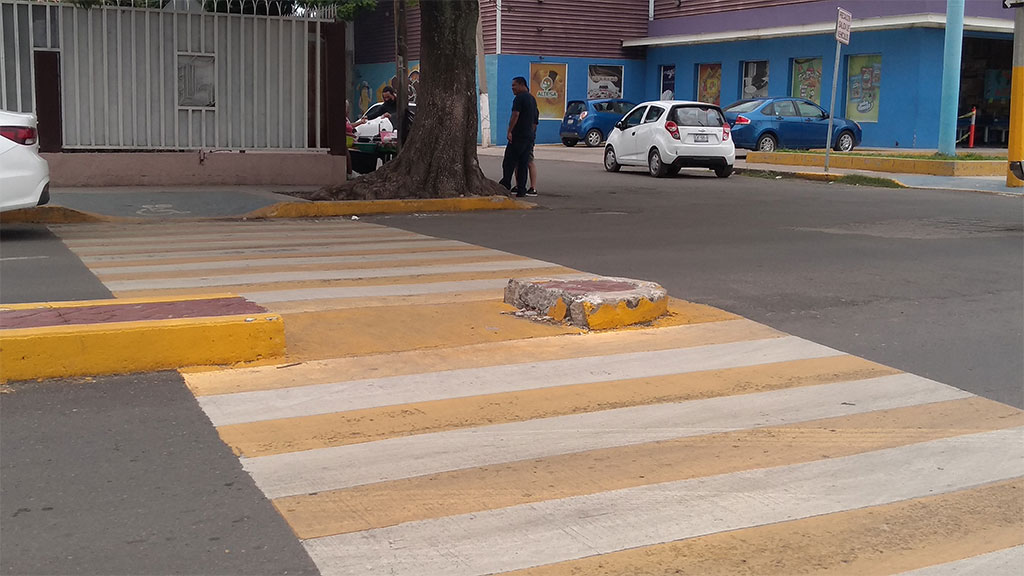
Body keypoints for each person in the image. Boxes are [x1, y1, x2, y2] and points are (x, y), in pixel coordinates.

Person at [499, 77, 538, 197]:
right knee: (522, 164)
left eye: (514, 85)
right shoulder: (532, 99)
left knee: (509, 162)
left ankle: (506, 183)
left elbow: (515, 115)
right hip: (528, 137)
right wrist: (531, 135)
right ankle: (521, 189)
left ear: (522, 85)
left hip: (519, 136)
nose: (512, 88)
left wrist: (510, 131)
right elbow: (534, 121)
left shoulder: (519, 98)